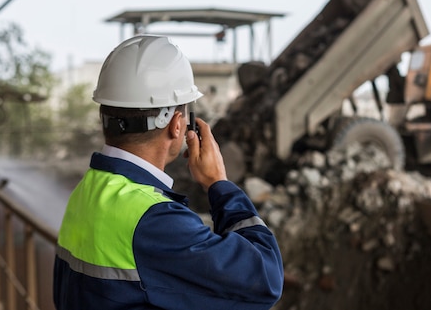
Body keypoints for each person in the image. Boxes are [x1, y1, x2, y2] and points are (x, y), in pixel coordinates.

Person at [53, 35, 284, 310]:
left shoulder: (88, 191)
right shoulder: (155, 221)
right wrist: (219, 185)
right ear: (177, 125)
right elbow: (266, 279)